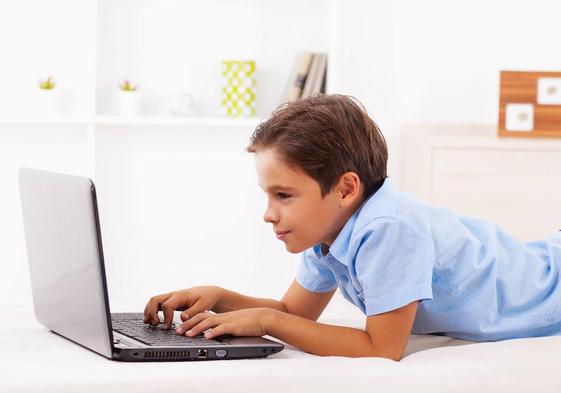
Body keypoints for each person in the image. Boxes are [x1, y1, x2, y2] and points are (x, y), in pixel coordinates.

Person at [143, 94, 561, 361]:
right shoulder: (331, 233)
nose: (268, 213)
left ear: (345, 189)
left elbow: (382, 349)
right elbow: (294, 312)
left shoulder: (389, 230)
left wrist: (264, 324)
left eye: (283, 196)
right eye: (267, 196)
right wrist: (221, 298)